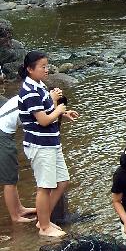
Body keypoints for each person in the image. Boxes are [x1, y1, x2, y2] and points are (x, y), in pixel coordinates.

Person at [17, 51, 79, 237]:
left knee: (62, 181)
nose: (46, 70)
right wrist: (58, 109)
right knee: (45, 186)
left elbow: (47, 111)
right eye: (42, 67)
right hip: (39, 144)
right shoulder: (29, 91)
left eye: (47, 66)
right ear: (30, 69)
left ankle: (43, 219)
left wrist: (62, 114)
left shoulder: (40, 86)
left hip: (51, 142)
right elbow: (43, 120)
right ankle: (44, 227)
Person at [0, 95, 36, 223]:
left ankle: (19, 209)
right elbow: (40, 120)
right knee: (9, 179)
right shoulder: (32, 97)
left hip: (6, 132)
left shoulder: (31, 93)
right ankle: (15, 217)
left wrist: (62, 113)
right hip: (2, 133)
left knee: (13, 175)